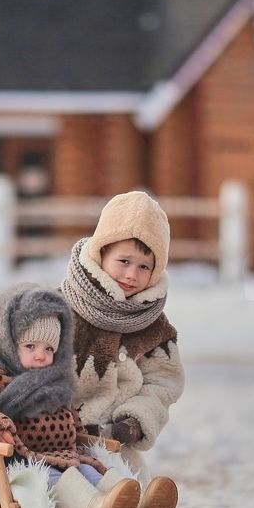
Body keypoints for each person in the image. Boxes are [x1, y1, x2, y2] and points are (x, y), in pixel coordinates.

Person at [0, 283, 177, 508]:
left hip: (55, 453)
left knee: (89, 470)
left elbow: (71, 418)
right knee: (51, 477)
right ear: (6, 342)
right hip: (6, 458)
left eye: (48, 349)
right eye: (30, 347)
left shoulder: (53, 379)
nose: (41, 356)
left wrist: (81, 439)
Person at [60, 190, 185, 486]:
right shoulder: (61, 308)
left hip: (116, 440)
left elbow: (163, 384)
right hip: (60, 435)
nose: (131, 274)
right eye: (124, 261)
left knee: (132, 482)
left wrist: (135, 420)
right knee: (80, 487)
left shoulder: (154, 327)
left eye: (144, 266)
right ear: (100, 254)